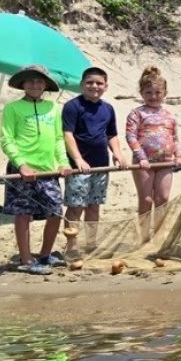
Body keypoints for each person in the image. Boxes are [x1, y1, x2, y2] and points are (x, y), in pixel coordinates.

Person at [0, 65, 71, 275]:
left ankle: (45, 254)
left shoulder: (53, 108)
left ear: (45, 85)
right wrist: (21, 164)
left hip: (48, 171)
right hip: (22, 170)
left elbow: (58, 139)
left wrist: (63, 163)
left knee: (56, 210)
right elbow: (7, 139)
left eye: (39, 81)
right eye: (30, 81)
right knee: (23, 213)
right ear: (23, 84)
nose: (35, 84)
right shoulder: (12, 108)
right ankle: (26, 258)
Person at [62, 66, 128, 238]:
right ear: (82, 84)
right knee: (76, 207)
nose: (94, 86)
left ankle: (90, 244)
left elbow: (111, 134)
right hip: (79, 167)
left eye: (99, 83)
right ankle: (71, 245)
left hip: (101, 166)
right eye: (90, 82)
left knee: (93, 205)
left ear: (106, 86)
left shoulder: (108, 108)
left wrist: (117, 153)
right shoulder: (72, 106)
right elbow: (67, 133)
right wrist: (77, 159)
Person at [125, 66, 180, 234]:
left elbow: (175, 138)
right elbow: (131, 136)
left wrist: (179, 155)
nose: (153, 96)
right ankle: (144, 234)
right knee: (147, 199)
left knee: (162, 198)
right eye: (148, 92)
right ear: (142, 93)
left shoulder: (169, 115)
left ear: (164, 93)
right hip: (144, 163)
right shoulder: (137, 113)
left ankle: (159, 234)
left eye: (157, 92)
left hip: (166, 162)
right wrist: (141, 157)